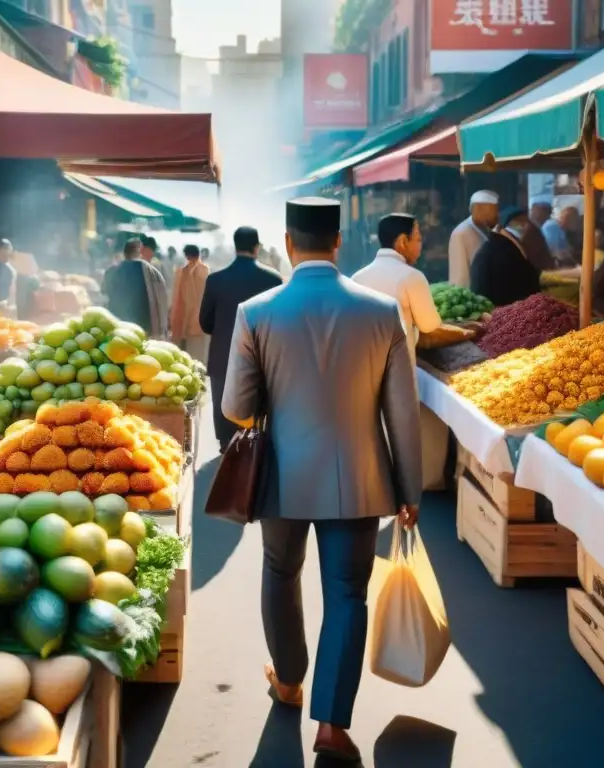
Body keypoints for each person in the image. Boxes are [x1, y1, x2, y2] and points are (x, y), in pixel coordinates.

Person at [222, 197, 421, 762]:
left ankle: (287, 680)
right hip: (359, 479)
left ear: (288, 243)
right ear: (338, 243)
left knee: (280, 573)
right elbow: (401, 414)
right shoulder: (383, 312)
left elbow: (237, 406)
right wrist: (409, 489)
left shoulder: (256, 312)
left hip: (281, 476)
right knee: (347, 594)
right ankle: (332, 726)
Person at [199, 226, 282, 449]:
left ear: (236, 247)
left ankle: (227, 448)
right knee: (258, 421)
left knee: (224, 410)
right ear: (257, 248)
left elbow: (205, 323)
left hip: (223, 357)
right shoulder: (272, 279)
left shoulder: (215, 280)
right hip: (260, 358)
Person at [352, 212, 441, 364]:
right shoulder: (412, 277)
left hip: (364, 371)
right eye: (418, 239)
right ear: (403, 241)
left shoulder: (356, 279)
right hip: (399, 373)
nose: (420, 245)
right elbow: (430, 325)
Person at [470, 206, 542, 307]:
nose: (526, 226)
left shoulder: (507, 244)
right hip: (505, 314)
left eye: (526, 221)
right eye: (520, 221)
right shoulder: (495, 250)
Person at [102, 238, 169, 336]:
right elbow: (162, 300)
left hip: (117, 328)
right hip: (144, 329)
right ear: (140, 252)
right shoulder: (152, 272)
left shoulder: (112, 271)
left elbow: (104, 292)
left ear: (124, 253)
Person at [448, 189, 498, 287]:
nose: (496, 215)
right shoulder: (461, 233)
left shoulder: (487, 228)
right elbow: (460, 276)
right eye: (493, 211)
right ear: (478, 209)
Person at [170, 244, 210, 363]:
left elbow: (176, 297)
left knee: (184, 356)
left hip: (184, 319)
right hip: (200, 320)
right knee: (198, 355)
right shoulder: (205, 270)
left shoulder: (182, 271)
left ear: (187, 256)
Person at [522, 195, 558, 272]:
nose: (547, 216)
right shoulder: (531, 231)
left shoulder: (534, 230)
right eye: (544, 210)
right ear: (533, 209)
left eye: (548, 212)